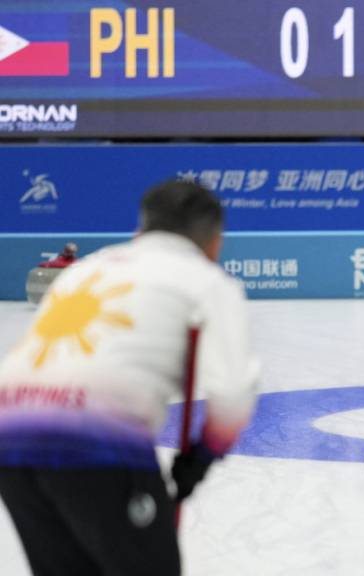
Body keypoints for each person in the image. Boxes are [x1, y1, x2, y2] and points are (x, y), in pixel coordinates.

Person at [0, 180, 259, 576]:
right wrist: (200, 459)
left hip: (10, 431)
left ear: (141, 229)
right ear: (215, 241)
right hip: (94, 438)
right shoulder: (206, 281)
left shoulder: (86, 269)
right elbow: (234, 392)